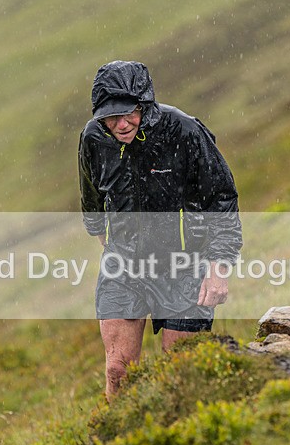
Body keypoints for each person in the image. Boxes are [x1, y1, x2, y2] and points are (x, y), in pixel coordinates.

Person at [78, 60, 242, 401]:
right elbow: (92, 196)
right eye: (111, 116)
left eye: (129, 113)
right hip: (124, 266)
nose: (121, 124)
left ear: (144, 105)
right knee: (118, 372)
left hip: (186, 268)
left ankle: (181, 444)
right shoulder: (93, 137)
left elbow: (222, 198)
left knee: (179, 375)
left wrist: (219, 267)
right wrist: (103, 237)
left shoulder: (183, 130)